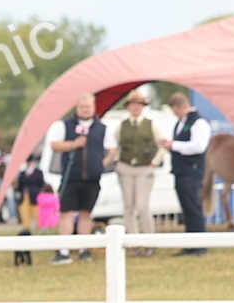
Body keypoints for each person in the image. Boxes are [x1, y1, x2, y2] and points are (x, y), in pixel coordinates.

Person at [47, 93, 115, 264]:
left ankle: (84, 248)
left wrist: (101, 164)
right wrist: (73, 145)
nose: (85, 110)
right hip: (71, 177)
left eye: (88, 107)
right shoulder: (64, 126)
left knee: (86, 213)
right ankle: (64, 250)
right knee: (66, 213)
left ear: (93, 107)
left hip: (92, 179)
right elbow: (54, 145)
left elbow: (112, 149)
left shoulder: (102, 128)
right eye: (82, 107)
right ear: (77, 108)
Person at [109, 90, 163, 255]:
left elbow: (161, 145)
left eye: (138, 105)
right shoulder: (122, 126)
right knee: (128, 206)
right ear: (128, 107)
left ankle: (149, 241)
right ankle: (133, 242)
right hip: (126, 168)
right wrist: (117, 160)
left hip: (144, 168)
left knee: (142, 205)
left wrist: (154, 163)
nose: (135, 107)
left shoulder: (150, 124)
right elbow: (115, 145)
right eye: (133, 104)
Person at [159, 92, 210, 256]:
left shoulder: (199, 122)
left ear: (180, 107)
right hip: (181, 172)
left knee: (194, 208)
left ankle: (201, 245)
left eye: (175, 110)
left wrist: (174, 145)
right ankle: (190, 244)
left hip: (192, 171)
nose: (175, 114)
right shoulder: (180, 123)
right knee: (186, 209)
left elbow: (198, 146)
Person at [16, 156, 46, 229]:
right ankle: (26, 228)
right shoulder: (23, 173)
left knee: (36, 213)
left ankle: (38, 227)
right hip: (25, 195)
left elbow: (41, 184)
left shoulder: (38, 172)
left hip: (35, 196)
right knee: (24, 213)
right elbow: (20, 185)